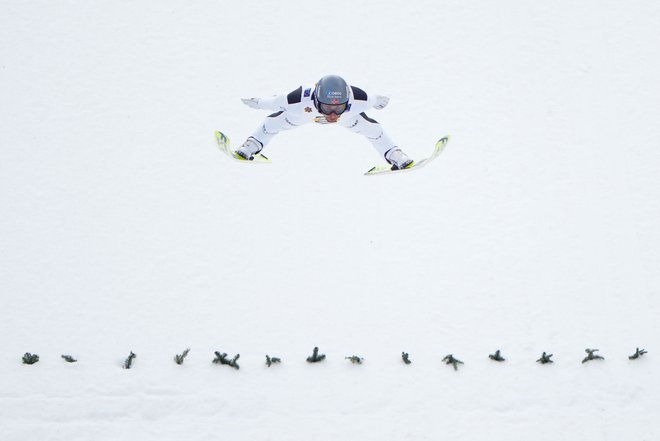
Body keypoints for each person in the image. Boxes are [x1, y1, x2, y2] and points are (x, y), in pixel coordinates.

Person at [237, 75, 413, 170]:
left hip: (348, 118)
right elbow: (275, 102)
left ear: (349, 101)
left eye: (339, 107)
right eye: (327, 108)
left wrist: (377, 101)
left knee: (374, 129)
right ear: (315, 100)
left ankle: (396, 156)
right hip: (304, 115)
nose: (333, 115)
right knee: (272, 123)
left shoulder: (360, 99)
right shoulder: (297, 100)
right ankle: (250, 146)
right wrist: (259, 103)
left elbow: (372, 100)